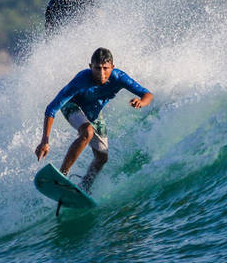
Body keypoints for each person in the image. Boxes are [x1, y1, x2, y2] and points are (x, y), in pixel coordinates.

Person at [35, 47, 153, 192]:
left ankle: (84, 187)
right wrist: (44, 141)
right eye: (97, 68)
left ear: (112, 67)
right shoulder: (81, 80)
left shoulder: (119, 77)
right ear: (90, 67)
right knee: (87, 132)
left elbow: (147, 94)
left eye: (105, 68)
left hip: (94, 114)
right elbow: (51, 108)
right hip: (72, 106)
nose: (101, 73)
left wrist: (141, 102)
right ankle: (61, 176)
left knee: (102, 157)